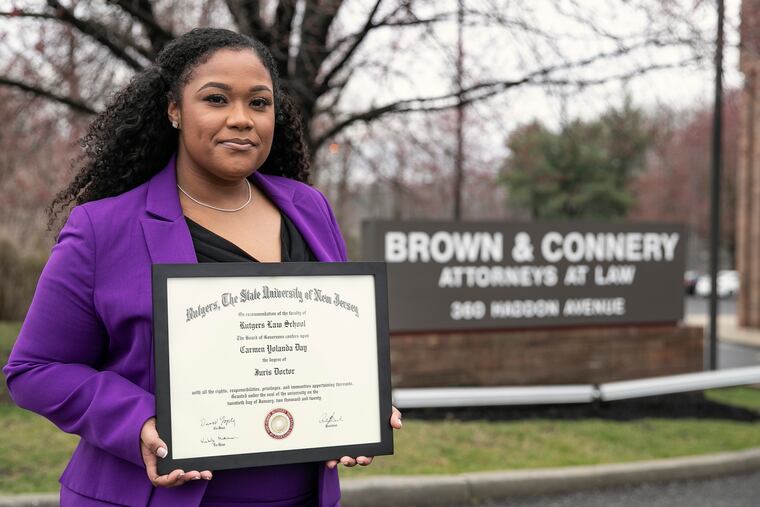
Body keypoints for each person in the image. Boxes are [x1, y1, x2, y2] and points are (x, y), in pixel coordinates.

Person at [3, 27, 401, 507]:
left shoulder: (309, 208)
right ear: (174, 109)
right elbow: (35, 369)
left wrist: (357, 402)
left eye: (259, 103)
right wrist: (141, 423)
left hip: (298, 493)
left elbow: (325, 339)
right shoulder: (102, 227)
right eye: (216, 99)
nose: (241, 120)